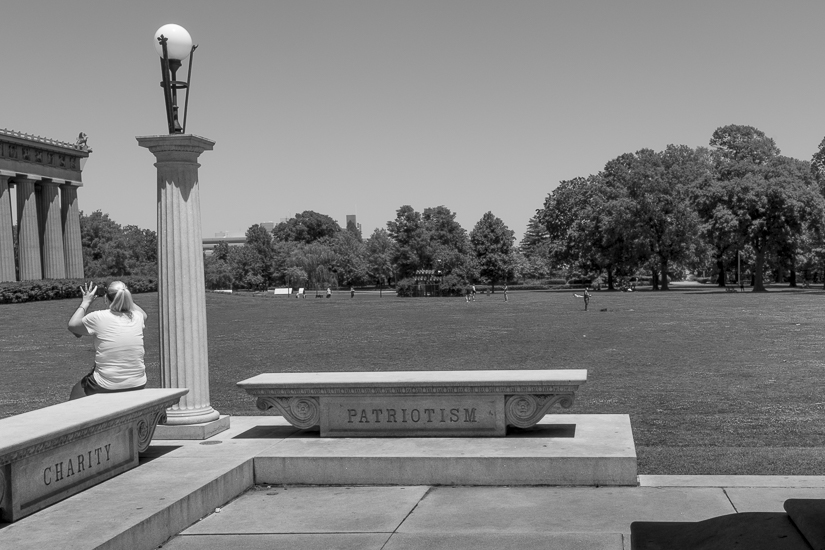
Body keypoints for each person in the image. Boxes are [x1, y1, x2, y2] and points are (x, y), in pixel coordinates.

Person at [67, 281, 148, 400]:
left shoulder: (98, 317)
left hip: (106, 384)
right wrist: (123, 293)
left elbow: (72, 325)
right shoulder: (137, 316)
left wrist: (86, 301)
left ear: (106, 298)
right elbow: (144, 315)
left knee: (77, 391)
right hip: (138, 382)